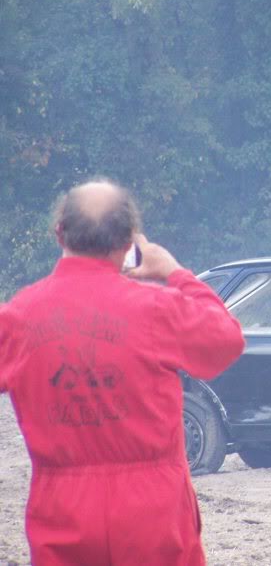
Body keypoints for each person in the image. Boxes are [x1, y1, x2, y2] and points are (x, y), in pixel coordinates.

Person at [0, 179, 244, 565]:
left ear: (59, 232)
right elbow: (226, 340)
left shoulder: (19, 317)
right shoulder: (157, 308)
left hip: (63, 512)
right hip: (154, 512)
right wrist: (175, 273)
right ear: (130, 241)